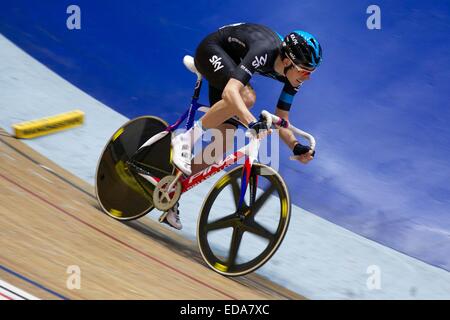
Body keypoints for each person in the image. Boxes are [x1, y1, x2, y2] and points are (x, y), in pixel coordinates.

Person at [160, 22, 323, 230]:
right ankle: (185, 139)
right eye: (304, 71)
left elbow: (281, 117)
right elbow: (231, 92)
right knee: (246, 97)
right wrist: (251, 122)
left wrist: (295, 146)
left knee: (224, 140)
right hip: (212, 50)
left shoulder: (293, 78)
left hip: (233, 65)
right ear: (287, 60)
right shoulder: (263, 50)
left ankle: (173, 191)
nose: (306, 78)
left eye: (311, 73)